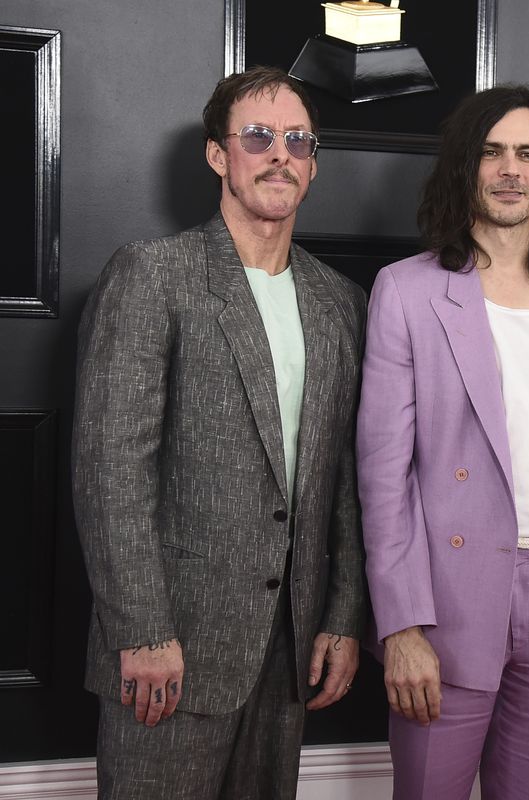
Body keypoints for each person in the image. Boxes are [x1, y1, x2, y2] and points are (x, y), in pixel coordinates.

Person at [73, 66, 367, 798]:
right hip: (169, 650)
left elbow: (347, 481)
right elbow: (110, 469)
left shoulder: (340, 302)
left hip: (290, 650)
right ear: (218, 155)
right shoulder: (153, 276)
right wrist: (139, 629)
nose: (281, 155)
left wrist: (342, 616)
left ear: (314, 163)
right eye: (259, 137)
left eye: (299, 141)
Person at [356, 84, 529, 800]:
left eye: (527, 153)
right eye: (492, 153)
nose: (511, 169)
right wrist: (402, 626)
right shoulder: (407, 292)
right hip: (446, 599)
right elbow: (383, 477)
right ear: (465, 168)